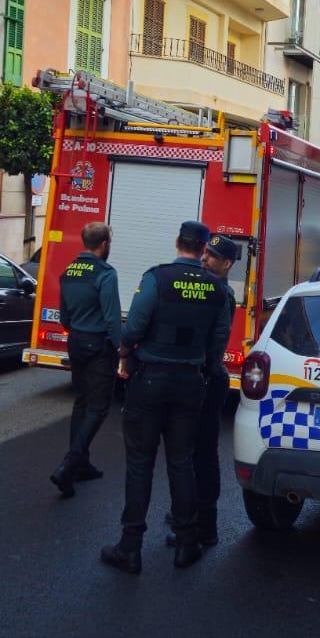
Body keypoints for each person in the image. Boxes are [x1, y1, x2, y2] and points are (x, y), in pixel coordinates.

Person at [100, 220, 227, 575]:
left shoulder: (157, 277)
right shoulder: (216, 289)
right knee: (181, 461)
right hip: (189, 383)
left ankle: (130, 547)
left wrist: (125, 353)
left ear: (178, 243)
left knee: (140, 463)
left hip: (150, 380)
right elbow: (218, 345)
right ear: (204, 249)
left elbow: (135, 327)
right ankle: (187, 544)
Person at [167, 232, 239, 548]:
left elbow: (216, 343)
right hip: (202, 376)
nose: (206, 259)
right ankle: (190, 513)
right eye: (205, 253)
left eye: (213, 256)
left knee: (202, 454)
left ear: (227, 264)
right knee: (191, 451)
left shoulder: (221, 293)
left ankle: (204, 525)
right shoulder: (207, 288)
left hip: (208, 379)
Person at [50, 220, 121, 497]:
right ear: (104, 244)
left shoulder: (69, 271)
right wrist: (121, 350)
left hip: (76, 342)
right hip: (99, 346)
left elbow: (64, 315)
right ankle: (68, 465)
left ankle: (81, 463)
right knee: (98, 407)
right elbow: (112, 318)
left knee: (81, 402)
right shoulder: (106, 274)